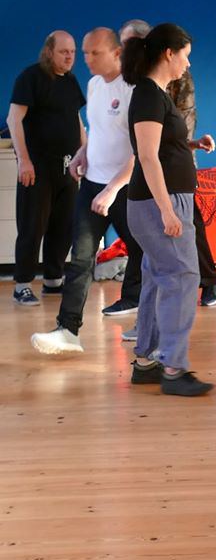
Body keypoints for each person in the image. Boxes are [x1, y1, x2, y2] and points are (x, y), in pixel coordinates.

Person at [30, 29, 143, 355]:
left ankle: (151, 322)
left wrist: (112, 190)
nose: (86, 59)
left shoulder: (134, 90)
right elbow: (97, 131)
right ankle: (68, 330)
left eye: (95, 53)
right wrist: (83, 154)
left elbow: (141, 150)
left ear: (117, 53)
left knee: (144, 255)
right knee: (80, 259)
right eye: (84, 53)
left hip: (124, 188)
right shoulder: (93, 85)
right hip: (92, 184)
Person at [121, 23, 214, 397]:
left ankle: (147, 362)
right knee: (182, 277)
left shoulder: (155, 95)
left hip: (162, 200)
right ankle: (174, 368)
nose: (187, 65)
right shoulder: (148, 95)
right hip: (160, 202)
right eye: (185, 56)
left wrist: (191, 144)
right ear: (169, 53)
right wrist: (167, 211)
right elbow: (146, 156)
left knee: (160, 277)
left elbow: (161, 146)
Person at [6, 31, 86, 306]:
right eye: (64, 51)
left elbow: (76, 120)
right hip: (37, 167)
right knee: (32, 226)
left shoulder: (71, 81)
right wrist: (24, 160)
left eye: (73, 52)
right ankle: (22, 285)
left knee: (63, 226)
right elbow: (14, 120)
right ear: (49, 51)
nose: (70, 57)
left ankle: (53, 280)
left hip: (67, 166)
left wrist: (85, 154)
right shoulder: (31, 77)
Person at [167, 69, 216, 308]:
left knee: (189, 223)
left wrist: (185, 148)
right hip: (140, 162)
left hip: (177, 162)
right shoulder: (132, 77)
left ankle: (209, 279)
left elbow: (183, 125)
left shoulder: (180, 77)